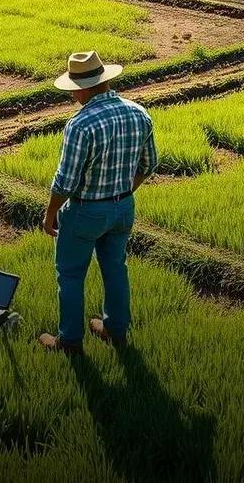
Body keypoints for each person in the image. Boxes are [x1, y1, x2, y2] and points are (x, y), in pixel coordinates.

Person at [37, 51, 157, 354]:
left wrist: (50, 213)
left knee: (70, 275)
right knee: (115, 268)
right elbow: (149, 164)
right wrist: (122, 192)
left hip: (85, 212)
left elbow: (65, 182)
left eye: (73, 90)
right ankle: (115, 330)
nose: (72, 95)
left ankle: (69, 341)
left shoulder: (80, 125)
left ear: (84, 88)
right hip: (123, 208)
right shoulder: (138, 113)